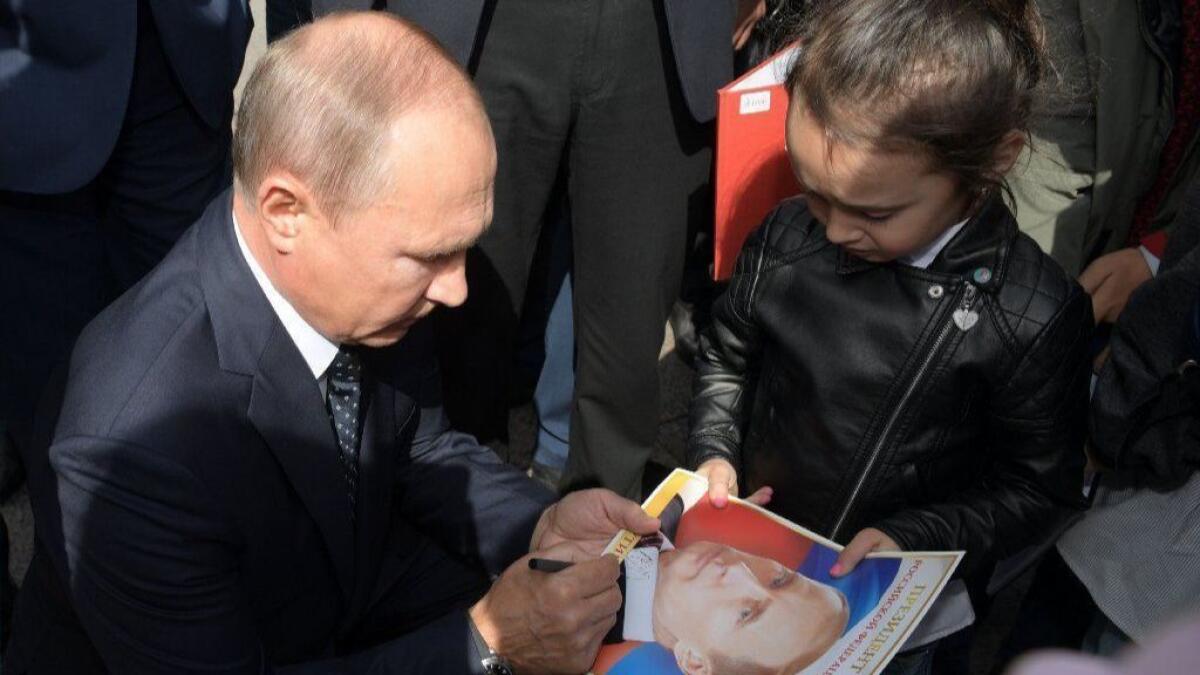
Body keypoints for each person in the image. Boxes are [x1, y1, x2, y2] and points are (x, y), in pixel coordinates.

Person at [3, 13, 661, 675]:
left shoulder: (369, 282)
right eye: (431, 256)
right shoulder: (125, 447)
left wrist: (537, 527)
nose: (457, 290)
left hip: (341, 597)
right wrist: (485, 643)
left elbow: (420, 446)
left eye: (464, 248)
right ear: (288, 212)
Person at [687, 1, 1094, 672]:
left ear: (992, 162)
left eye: (873, 211)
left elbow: (1037, 488)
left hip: (908, 621)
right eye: (814, 192)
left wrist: (918, 533)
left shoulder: (1030, 314)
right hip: (758, 559)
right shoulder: (791, 235)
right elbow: (729, 357)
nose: (838, 230)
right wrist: (713, 449)